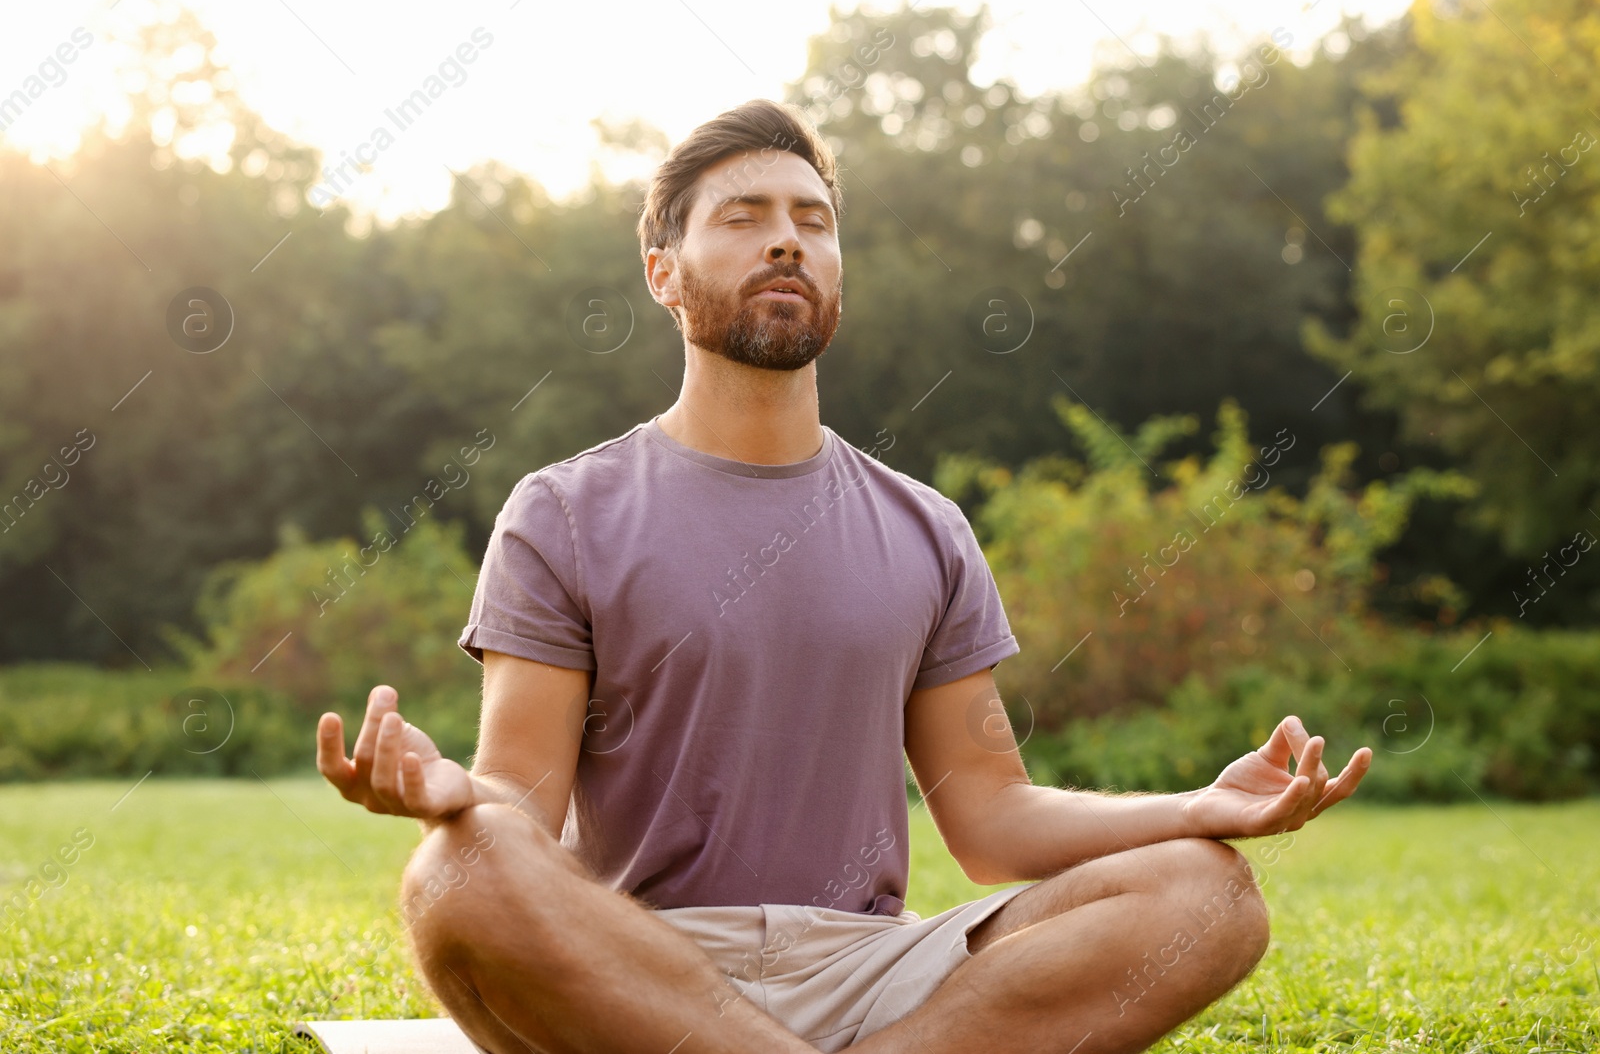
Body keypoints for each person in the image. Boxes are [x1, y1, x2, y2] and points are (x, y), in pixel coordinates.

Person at [315, 98, 1372, 1054]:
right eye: (741, 215)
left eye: (812, 219)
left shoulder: (926, 528)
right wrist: (457, 796)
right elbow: (519, 805)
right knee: (456, 868)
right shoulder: (562, 512)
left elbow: (994, 819)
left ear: (834, 268)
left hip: (878, 975)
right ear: (663, 273)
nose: (786, 235)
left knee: (1209, 892)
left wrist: (1198, 804)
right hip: (636, 970)